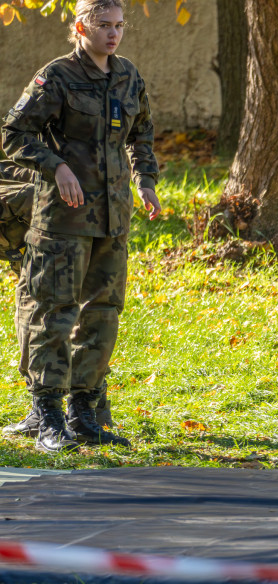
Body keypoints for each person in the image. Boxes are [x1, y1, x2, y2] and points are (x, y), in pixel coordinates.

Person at [2, 0, 159, 452]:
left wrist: (145, 180)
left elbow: (141, 133)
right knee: (54, 312)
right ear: (81, 27)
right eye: (104, 26)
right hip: (64, 218)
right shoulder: (57, 76)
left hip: (113, 219)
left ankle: (85, 412)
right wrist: (56, 166)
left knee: (102, 313)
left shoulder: (127, 75)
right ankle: (47, 414)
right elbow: (15, 134)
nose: (114, 34)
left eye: (119, 26)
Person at [0, 159, 115, 435]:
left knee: (51, 311)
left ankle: (85, 409)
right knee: (33, 308)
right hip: (28, 231)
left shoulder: (18, 195)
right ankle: (57, 410)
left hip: (55, 224)